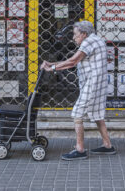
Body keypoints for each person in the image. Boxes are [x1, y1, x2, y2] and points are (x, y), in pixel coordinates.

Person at [40, 20, 116, 160]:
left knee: (77, 113)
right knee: (97, 114)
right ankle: (107, 145)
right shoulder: (96, 40)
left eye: (75, 34)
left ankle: (80, 149)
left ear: (84, 34)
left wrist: (52, 68)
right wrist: (52, 63)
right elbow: (74, 61)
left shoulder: (88, 42)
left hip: (92, 84)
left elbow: (73, 61)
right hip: (98, 84)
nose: (73, 38)